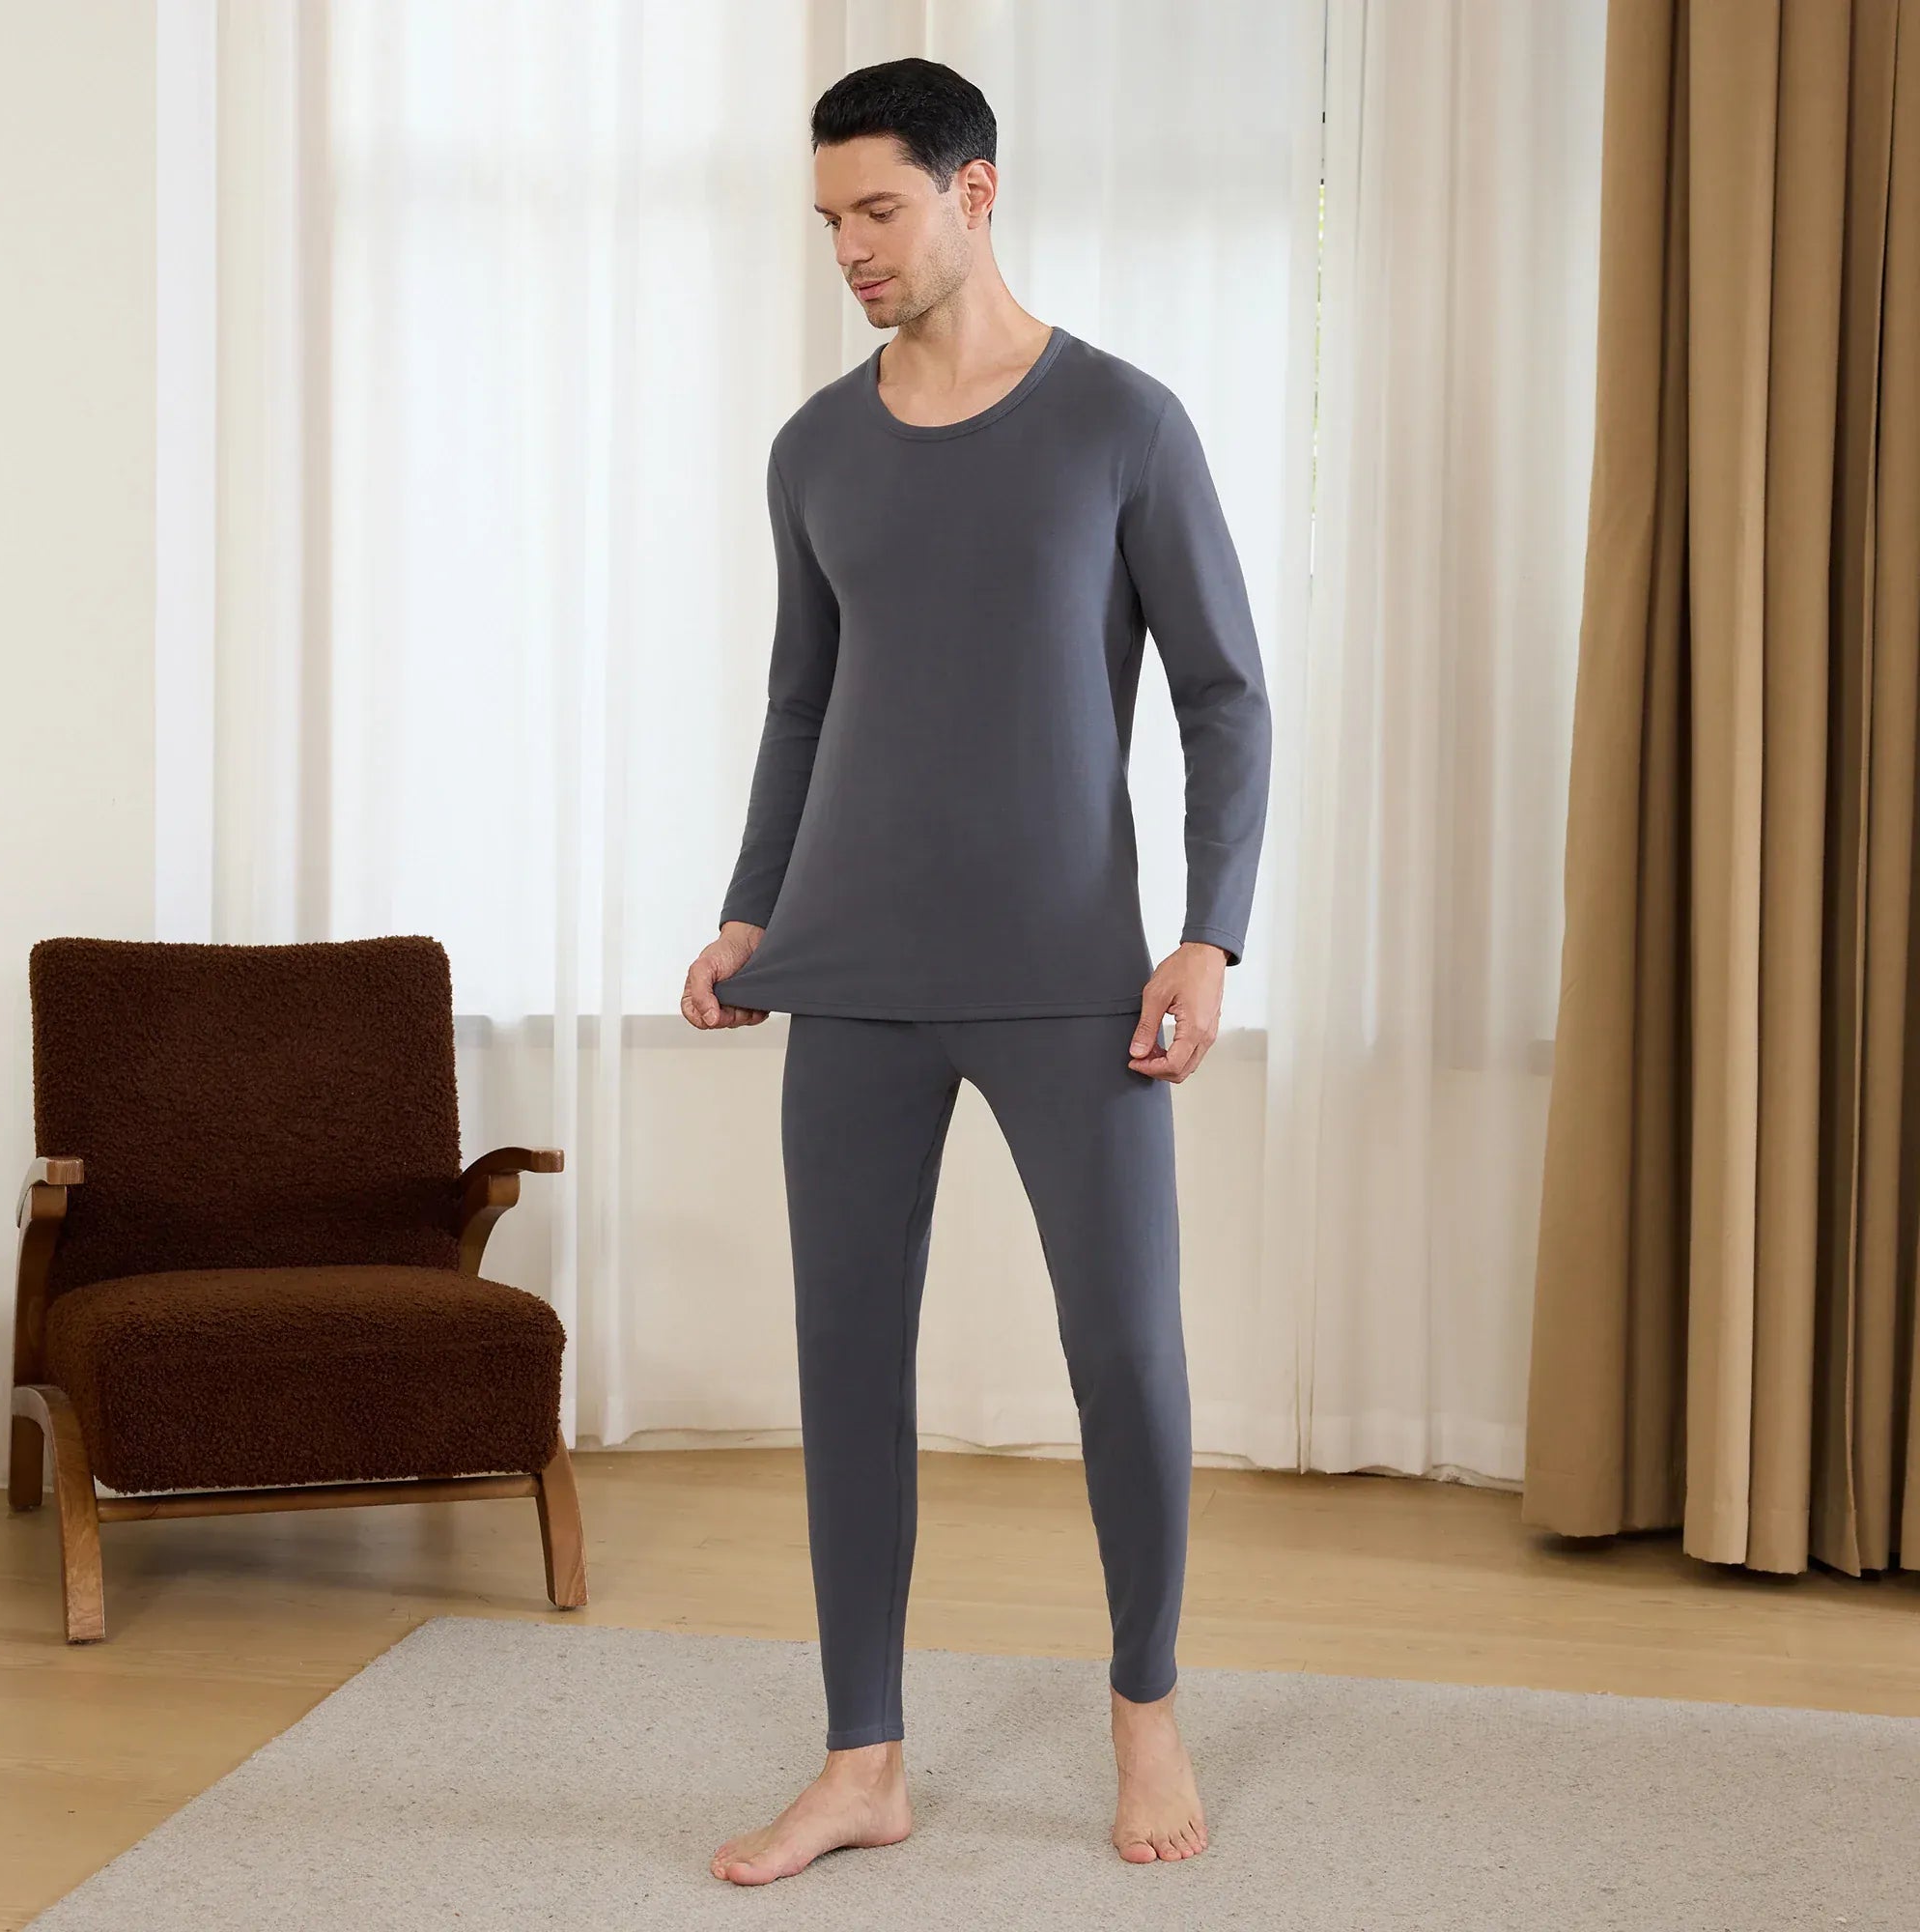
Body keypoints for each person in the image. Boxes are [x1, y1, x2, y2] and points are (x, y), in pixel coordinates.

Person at [680, 54, 1271, 1888]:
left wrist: (1209, 930)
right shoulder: (814, 450)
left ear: (975, 190)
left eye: (880, 209)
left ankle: (1145, 1705)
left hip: (1069, 974)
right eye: (829, 220)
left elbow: (1224, 695)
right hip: (848, 970)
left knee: (1127, 1350)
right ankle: (863, 1759)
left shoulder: (1123, 424)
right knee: (847, 1355)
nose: (851, 248)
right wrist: (752, 911)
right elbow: (801, 706)